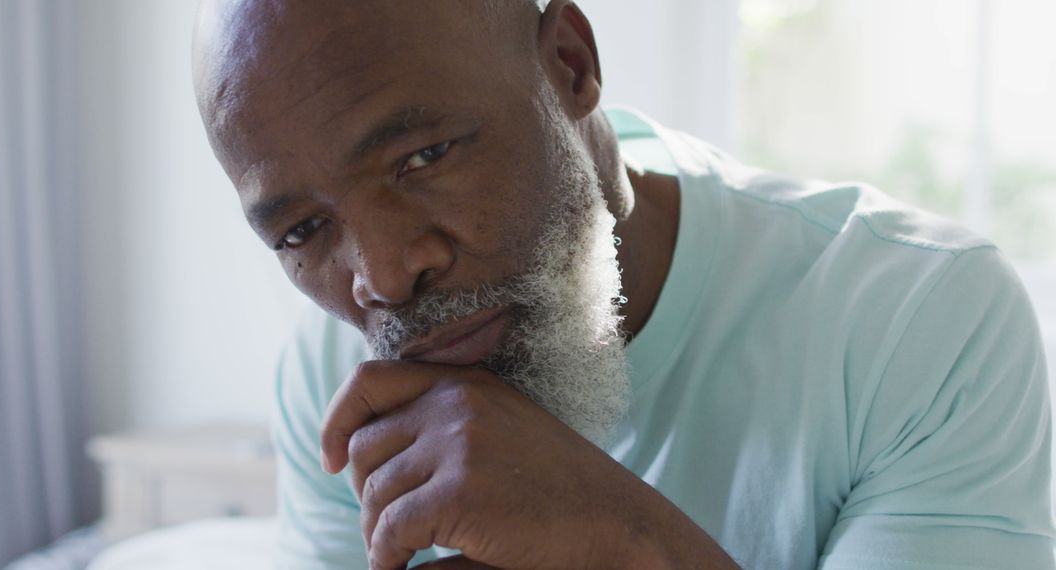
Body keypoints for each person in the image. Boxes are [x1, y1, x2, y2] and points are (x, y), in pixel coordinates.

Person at [192, 1, 1055, 568]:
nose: (384, 277)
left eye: (424, 156)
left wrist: (621, 539)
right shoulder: (330, 378)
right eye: (303, 231)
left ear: (569, 64)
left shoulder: (916, 320)